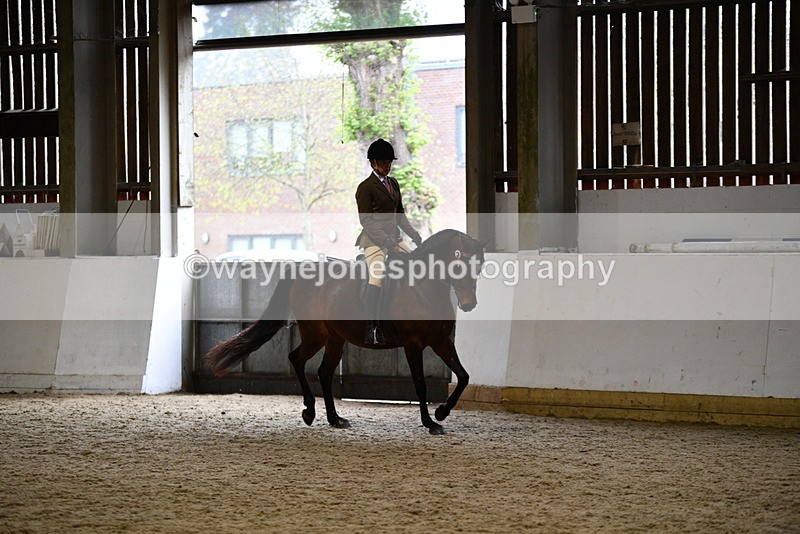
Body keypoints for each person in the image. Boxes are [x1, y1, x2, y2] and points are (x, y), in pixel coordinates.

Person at [355, 138, 422, 345]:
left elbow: (400, 214)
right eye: (384, 162)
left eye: (389, 162)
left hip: (394, 238)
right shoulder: (365, 188)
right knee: (376, 277)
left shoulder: (393, 183)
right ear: (373, 163)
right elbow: (366, 221)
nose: (388, 166)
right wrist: (387, 242)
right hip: (374, 241)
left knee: (416, 264)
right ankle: (371, 327)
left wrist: (414, 235)